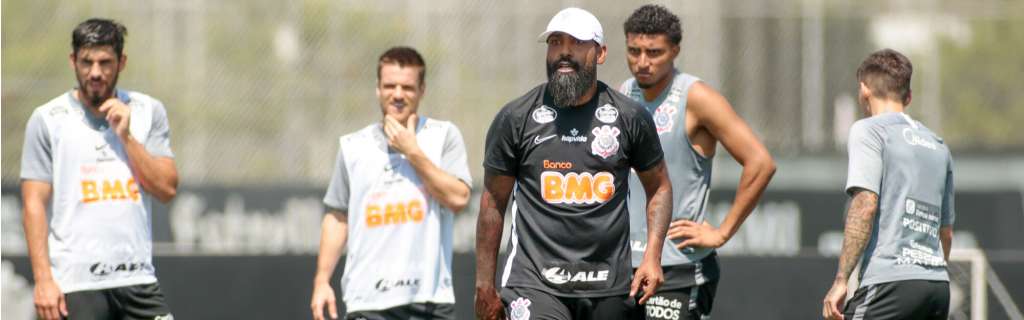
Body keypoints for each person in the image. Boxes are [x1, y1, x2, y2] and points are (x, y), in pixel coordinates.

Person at [475, 7, 674, 320]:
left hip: (611, 285)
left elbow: (659, 187)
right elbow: (492, 202)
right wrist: (484, 285)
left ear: (601, 52)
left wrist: (652, 255)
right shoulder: (516, 118)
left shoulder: (630, 117)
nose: (564, 53)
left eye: (577, 43)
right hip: (535, 284)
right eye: (555, 42)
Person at [618, 5, 776, 319]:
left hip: (679, 267)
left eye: (654, 52)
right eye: (634, 51)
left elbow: (760, 162)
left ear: (675, 50)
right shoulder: (625, 93)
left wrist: (721, 233)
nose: (642, 62)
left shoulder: (696, 97)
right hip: (625, 266)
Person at [20, 18, 178, 320]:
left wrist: (126, 137)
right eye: (86, 62)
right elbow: (33, 204)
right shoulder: (48, 119)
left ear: (122, 63)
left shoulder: (147, 111)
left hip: (138, 282)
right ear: (73, 61)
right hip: (76, 285)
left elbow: (167, 188)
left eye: (105, 62)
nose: (95, 72)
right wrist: (43, 280)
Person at [310, 46, 472, 320]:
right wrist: (322, 281)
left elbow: (458, 199)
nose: (398, 94)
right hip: (368, 302)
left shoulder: (443, 136)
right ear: (378, 88)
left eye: (407, 87)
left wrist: (413, 152)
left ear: (422, 90)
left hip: (429, 301)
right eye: (390, 85)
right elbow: (338, 217)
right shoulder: (353, 147)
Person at [822, 49, 955, 320]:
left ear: (864, 89)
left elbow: (865, 205)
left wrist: (841, 281)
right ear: (908, 96)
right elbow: (946, 232)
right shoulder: (938, 145)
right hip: (937, 287)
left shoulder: (869, 130)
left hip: (890, 283)